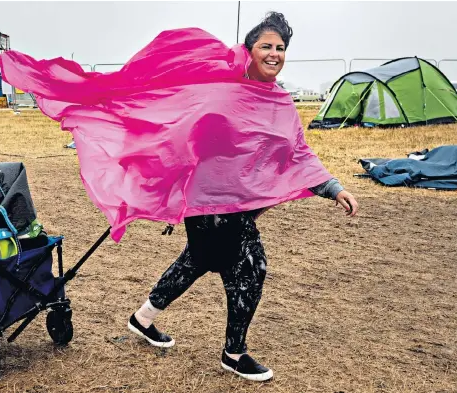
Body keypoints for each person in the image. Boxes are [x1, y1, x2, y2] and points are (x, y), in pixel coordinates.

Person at [127, 12, 359, 382]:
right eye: (265, 46)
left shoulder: (281, 103)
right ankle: (234, 353)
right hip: (206, 200)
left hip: (236, 204)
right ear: (248, 51)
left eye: (280, 48)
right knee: (252, 266)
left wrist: (332, 187)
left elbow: (298, 153)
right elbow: (184, 125)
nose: (274, 53)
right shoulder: (222, 88)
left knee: (198, 260)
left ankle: (142, 318)